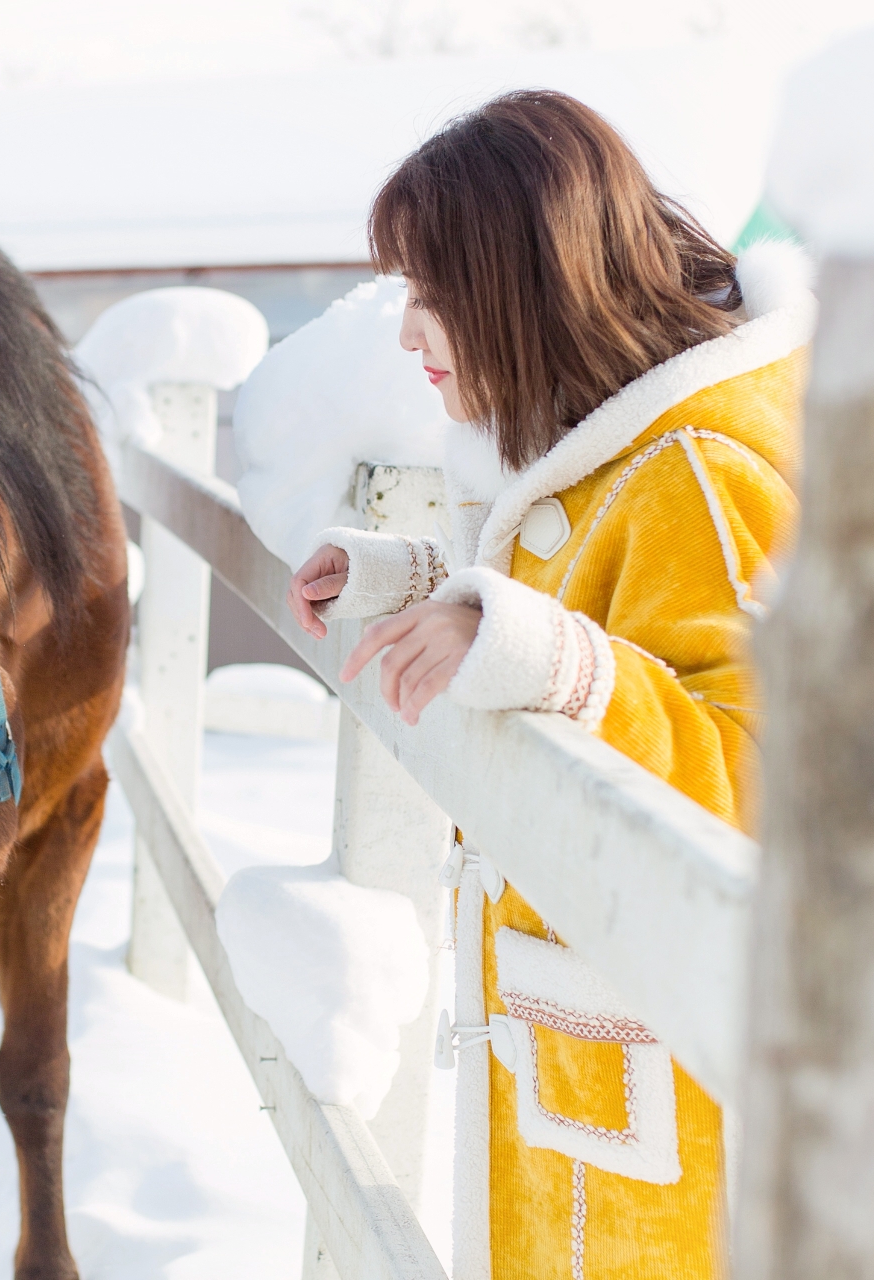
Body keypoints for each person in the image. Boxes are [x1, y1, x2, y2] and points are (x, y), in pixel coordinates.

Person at [284, 90, 812, 1278]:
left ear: (522, 284)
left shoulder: (699, 471)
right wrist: (412, 578)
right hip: (612, 1055)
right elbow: (590, 587)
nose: (410, 336)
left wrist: (539, 655)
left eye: (431, 296)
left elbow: (760, 782)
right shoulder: (636, 434)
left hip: (669, 1107)